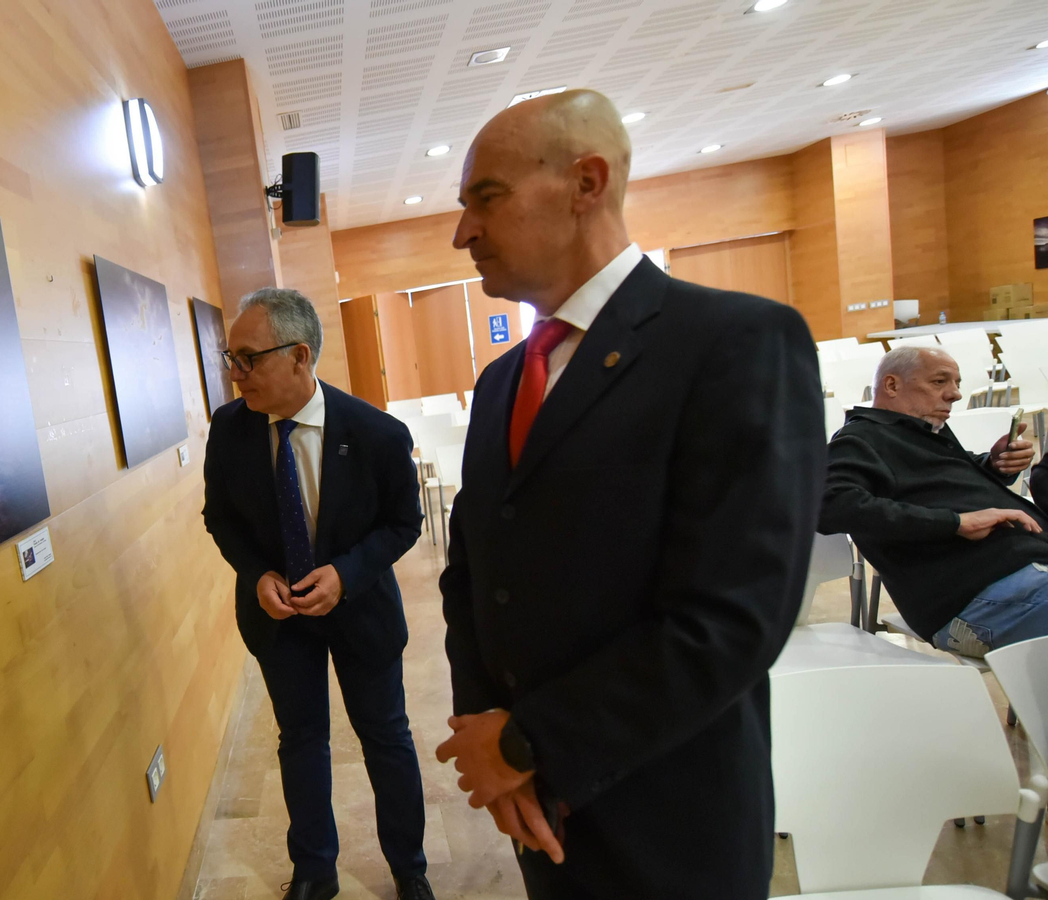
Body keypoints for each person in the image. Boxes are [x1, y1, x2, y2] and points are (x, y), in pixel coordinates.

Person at [433, 89, 825, 899]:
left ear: (587, 183)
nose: (462, 232)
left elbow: (732, 617)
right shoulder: (503, 382)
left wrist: (525, 744)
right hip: (541, 805)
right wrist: (488, 739)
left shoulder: (736, 341)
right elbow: (472, 572)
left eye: (487, 198)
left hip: (670, 816)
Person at [201, 288, 434, 900]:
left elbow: (404, 524)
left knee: (385, 737)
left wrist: (347, 574)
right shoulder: (229, 430)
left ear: (300, 356)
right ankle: (314, 872)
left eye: (248, 358)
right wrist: (256, 575)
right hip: (279, 619)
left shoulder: (377, 433)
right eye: (230, 357)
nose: (235, 373)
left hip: (360, 613)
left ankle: (410, 869)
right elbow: (220, 519)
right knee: (301, 740)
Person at [820, 345, 1048, 655]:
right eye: (940, 382)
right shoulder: (859, 439)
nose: (954, 394)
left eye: (957, 384)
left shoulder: (923, 433)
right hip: (976, 596)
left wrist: (992, 464)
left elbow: (940, 480)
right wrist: (954, 523)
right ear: (892, 385)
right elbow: (831, 506)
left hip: (1025, 575)